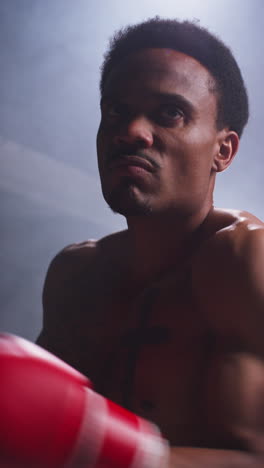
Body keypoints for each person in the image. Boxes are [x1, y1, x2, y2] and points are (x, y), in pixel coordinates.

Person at [35, 17, 264, 466]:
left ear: (224, 150)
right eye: (116, 111)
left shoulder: (246, 260)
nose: (131, 131)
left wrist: (106, 450)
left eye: (170, 113)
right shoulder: (74, 275)